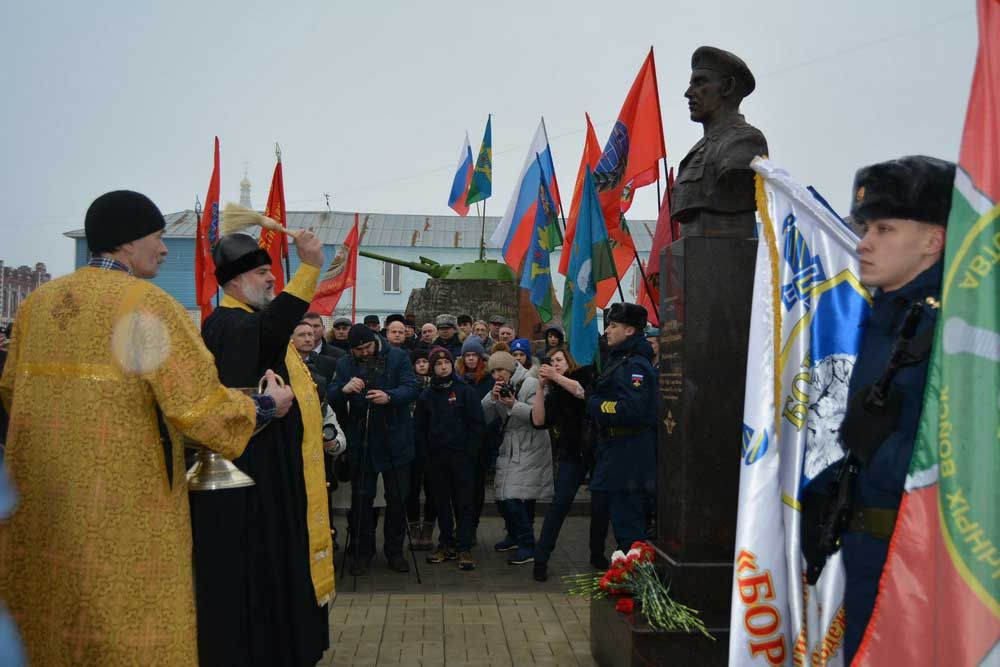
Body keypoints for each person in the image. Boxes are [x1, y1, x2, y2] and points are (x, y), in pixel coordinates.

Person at [0, 190, 292, 665]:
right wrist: (264, 405)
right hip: (125, 506)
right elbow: (196, 405)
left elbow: (12, 391)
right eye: (157, 238)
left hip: (44, 502)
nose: (163, 249)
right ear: (127, 243)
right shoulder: (146, 305)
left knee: (54, 619)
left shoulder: (38, 305)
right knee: (130, 624)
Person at [802, 156, 953, 663]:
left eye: (884, 228)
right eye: (864, 227)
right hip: (870, 557)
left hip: (925, 568)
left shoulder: (957, 329)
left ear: (933, 240)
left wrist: (881, 460)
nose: (864, 241)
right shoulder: (882, 314)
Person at [198, 230, 334, 666]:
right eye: (262, 273)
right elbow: (272, 327)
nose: (273, 280)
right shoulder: (229, 324)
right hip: (251, 485)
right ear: (235, 282)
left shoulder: (251, 323)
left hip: (277, 479)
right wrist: (310, 268)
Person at [328, 324, 420, 575]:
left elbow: (412, 388)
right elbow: (331, 395)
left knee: (398, 499)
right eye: (358, 350)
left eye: (367, 347)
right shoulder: (345, 364)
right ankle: (362, 551)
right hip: (362, 440)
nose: (364, 353)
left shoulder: (398, 356)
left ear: (375, 341)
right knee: (361, 500)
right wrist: (344, 390)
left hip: (395, 439)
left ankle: (395, 551)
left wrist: (389, 396)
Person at [673, 46, 769, 239]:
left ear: (727, 87)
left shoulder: (746, 142)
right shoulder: (697, 151)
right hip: (693, 256)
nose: (688, 93)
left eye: (700, 83)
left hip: (725, 258)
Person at [531, 348, 609, 581]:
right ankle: (541, 558)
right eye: (551, 361)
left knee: (601, 505)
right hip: (571, 452)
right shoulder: (554, 392)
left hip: (597, 450)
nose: (554, 364)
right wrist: (539, 388)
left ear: (569, 360)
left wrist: (555, 377)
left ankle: (597, 553)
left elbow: (582, 393)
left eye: (558, 359)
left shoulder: (585, 375)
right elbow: (539, 421)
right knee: (560, 503)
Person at [586, 303, 658, 552]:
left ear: (630, 331)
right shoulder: (620, 359)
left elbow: (631, 409)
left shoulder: (634, 366)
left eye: (613, 326)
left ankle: (636, 581)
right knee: (622, 522)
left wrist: (596, 405)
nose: (607, 330)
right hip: (617, 452)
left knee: (629, 526)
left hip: (628, 457)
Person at [414, 347, 486, 571]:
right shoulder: (426, 395)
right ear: (432, 368)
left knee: (463, 503)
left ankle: (464, 545)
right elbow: (420, 430)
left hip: (462, 458)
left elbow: (477, 425)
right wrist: (426, 457)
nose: (443, 366)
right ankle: (446, 542)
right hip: (437, 459)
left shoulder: (465, 391)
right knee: (440, 503)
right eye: (438, 363)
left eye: (446, 362)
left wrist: (471, 453)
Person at [482, 351, 553, 565]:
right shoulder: (499, 385)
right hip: (511, 445)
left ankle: (527, 544)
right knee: (508, 497)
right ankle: (515, 536)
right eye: (493, 371)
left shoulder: (530, 383)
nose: (497, 375)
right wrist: (493, 400)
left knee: (513, 496)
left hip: (531, 444)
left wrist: (512, 404)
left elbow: (537, 417)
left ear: (511, 368)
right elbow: (484, 416)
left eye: (500, 370)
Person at [456, 335, 494, 542]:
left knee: (477, 487)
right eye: (467, 355)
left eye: (474, 355)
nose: (471, 359)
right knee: (461, 487)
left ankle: (472, 527)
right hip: (460, 442)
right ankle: (461, 526)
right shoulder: (456, 379)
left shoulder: (488, 380)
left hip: (481, 442)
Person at [406, 347, 435, 550]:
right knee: (412, 489)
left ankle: (428, 529)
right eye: (418, 362)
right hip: (411, 443)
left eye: (426, 361)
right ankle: (414, 528)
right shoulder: (408, 386)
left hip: (433, 444)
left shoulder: (437, 385)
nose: (422, 365)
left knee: (432, 489)